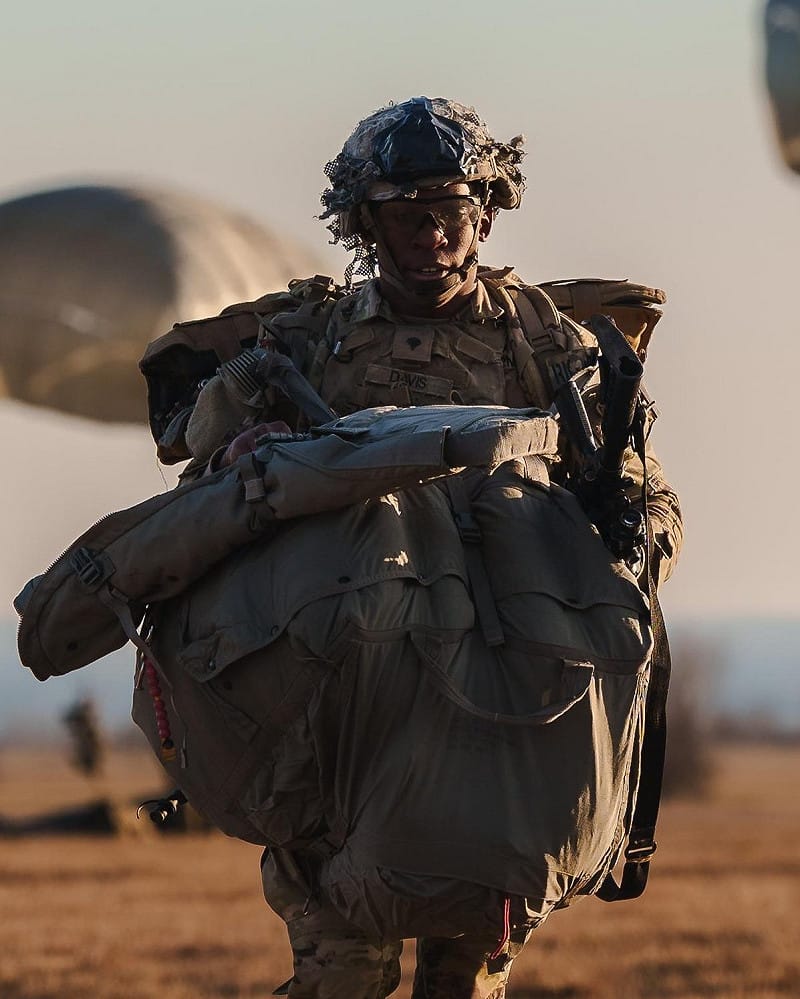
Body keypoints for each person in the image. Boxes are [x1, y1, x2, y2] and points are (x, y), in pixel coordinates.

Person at [148, 97, 683, 998]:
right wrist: (245, 461)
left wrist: (630, 529)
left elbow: (644, 489)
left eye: (451, 212)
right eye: (407, 215)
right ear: (367, 224)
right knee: (340, 973)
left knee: (468, 971)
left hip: (496, 698)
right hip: (349, 711)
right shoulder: (304, 341)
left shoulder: (546, 341)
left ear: (484, 215)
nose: (432, 234)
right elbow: (209, 481)